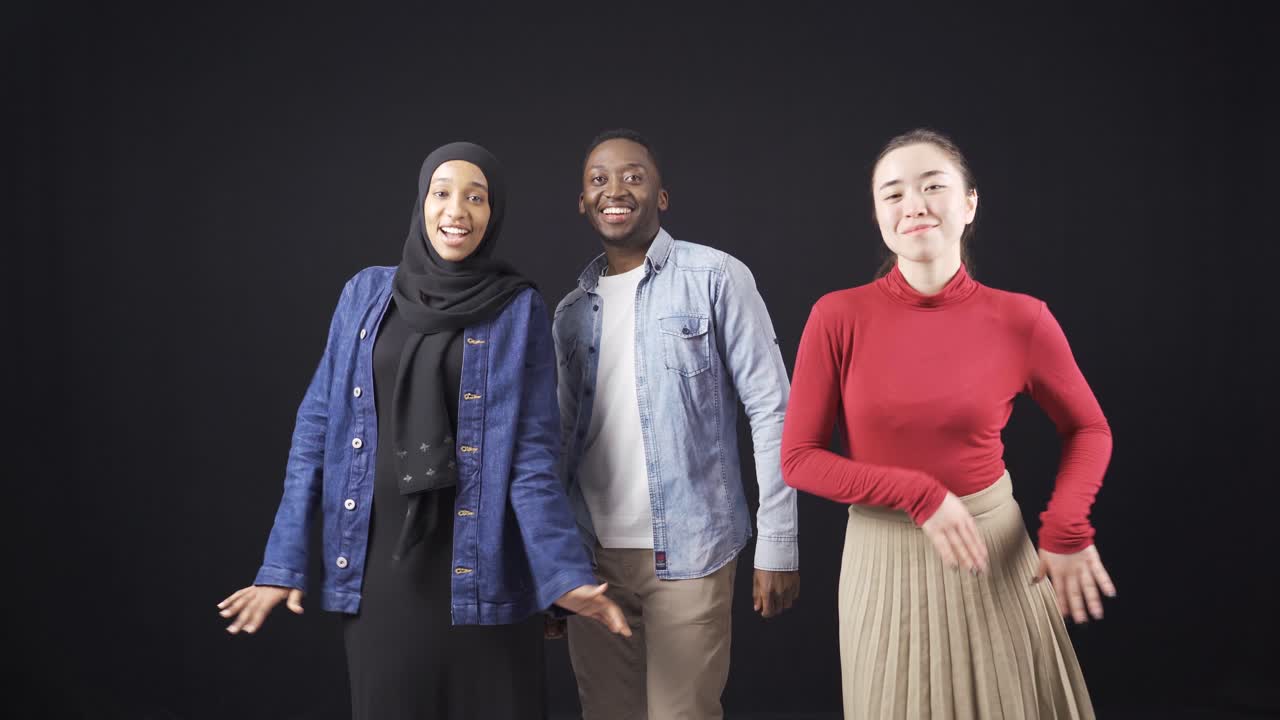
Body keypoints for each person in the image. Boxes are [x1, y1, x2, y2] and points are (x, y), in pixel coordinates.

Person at [216, 141, 628, 720]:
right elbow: (316, 430)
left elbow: (531, 456)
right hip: (383, 568)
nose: (456, 210)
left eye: (475, 197)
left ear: (494, 214)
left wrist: (560, 573)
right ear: (422, 203)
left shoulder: (517, 308)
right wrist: (280, 565)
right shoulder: (364, 294)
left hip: (483, 568)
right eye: (442, 193)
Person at [781, 128, 1115, 719]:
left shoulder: (1022, 318)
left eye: (933, 186)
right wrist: (918, 493)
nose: (915, 204)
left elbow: (1088, 428)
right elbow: (799, 458)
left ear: (968, 204)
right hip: (883, 560)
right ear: (878, 215)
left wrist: (1066, 524)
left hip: (994, 553)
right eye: (893, 193)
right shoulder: (837, 316)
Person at [552, 129, 800, 720]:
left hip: (692, 553)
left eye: (634, 176)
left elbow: (773, 408)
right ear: (583, 203)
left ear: (662, 197)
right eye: (599, 180)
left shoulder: (715, 277)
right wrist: (553, 566)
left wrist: (779, 543)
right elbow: (558, 449)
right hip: (592, 561)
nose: (616, 190)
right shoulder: (568, 313)